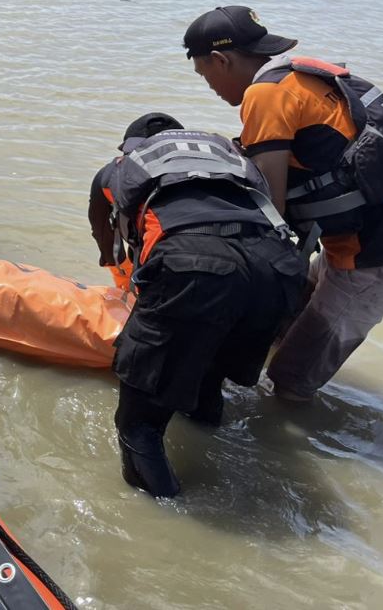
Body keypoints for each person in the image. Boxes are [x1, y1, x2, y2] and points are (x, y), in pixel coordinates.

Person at [184, 6, 383, 402]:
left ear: (221, 60)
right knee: (283, 325)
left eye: (206, 76)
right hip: (375, 231)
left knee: (291, 379)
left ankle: (283, 443)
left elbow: (271, 210)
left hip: (378, 257)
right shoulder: (301, 77)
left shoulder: (265, 94)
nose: (212, 88)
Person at [89, 113, 305, 497]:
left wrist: (124, 277)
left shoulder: (121, 166)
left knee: (139, 426)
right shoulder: (228, 158)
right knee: (208, 378)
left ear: (129, 146)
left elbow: (106, 235)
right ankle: (208, 429)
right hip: (277, 270)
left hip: (196, 267)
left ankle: (164, 524)